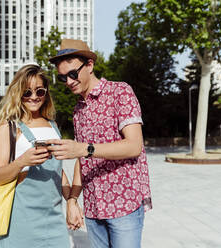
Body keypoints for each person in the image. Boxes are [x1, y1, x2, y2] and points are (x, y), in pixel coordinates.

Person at [46, 39, 153, 248]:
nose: (68, 81)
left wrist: (85, 149)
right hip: (94, 207)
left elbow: (134, 146)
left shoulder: (120, 92)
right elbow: (83, 159)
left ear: (89, 65)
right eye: (62, 77)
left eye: (72, 74)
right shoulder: (78, 111)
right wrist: (72, 199)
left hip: (125, 205)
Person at [0, 64, 71, 248]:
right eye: (27, 92)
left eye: (39, 91)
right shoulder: (8, 128)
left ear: (46, 93)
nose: (34, 97)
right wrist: (22, 161)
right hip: (21, 219)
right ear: (18, 92)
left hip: (54, 219)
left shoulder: (53, 125)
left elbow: (58, 172)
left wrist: (72, 202)